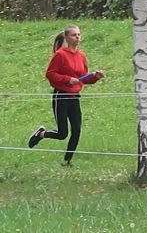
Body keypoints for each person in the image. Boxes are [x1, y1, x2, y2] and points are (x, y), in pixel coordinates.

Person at [27, 25, 105, 166]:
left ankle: (67, 161)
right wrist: (67, 79)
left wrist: (96, 77)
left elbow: (84, 78)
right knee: (62, 133)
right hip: (61, 96)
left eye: (79, 34)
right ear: (67, 38)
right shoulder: (60, 55)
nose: (77, 37)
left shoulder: (81, 56)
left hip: (74, 97)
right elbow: (50, 74)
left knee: (76, 130)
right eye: (74, 35)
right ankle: (41, 134)